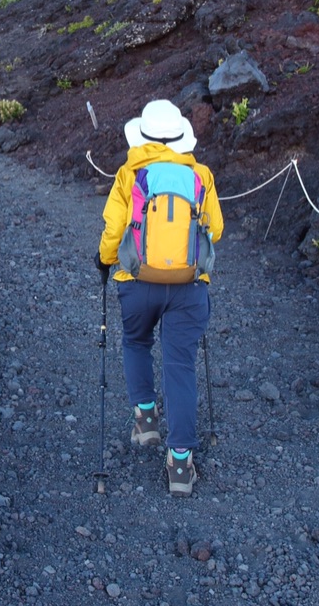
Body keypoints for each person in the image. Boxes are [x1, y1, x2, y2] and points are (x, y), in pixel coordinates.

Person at [95, 99, 223, 495]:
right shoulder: (201, 175)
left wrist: (103, 261)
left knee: (136, 341)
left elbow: (115, 229)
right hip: (188, 285)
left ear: (142, 136)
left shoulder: (128, 174)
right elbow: (214, 230)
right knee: (180, 364)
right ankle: (181, 466)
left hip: (136, 281)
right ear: (181, 138)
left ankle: (146, 420)